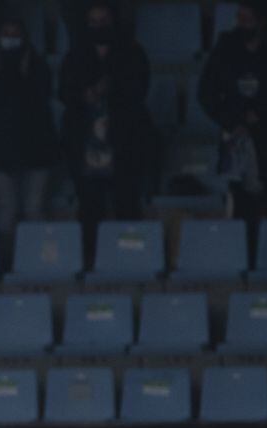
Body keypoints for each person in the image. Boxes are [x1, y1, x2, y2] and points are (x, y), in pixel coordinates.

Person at [58, 0, 153, 256]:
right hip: (86, 146)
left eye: (104, 20)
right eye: (94, 21)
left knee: (127, 205)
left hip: (124, 144)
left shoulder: (132, 53)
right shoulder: (75, 56)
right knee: (90, 208)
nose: (99, 26)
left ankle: (129, 259)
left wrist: (112, 92)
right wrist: (84, 95)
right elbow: (64, 92)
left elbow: (139, 92)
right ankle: (90, 261)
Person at [0, 14, 60, 268]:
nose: (10, 39)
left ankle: (38, 262)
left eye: (15, 33)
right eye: (5, 33)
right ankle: (7, 264)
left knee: (34, 208)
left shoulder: (36, 64)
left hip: (37, 148)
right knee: (6, 210)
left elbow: (40, 95)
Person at [199, 0, 267, 227]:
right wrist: (232, 120)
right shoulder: (226, 45)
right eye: (240, 18)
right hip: (236, 137)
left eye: (248, 19)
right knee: (241, 205)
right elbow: (206, 92)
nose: (241, 24)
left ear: (262, 19)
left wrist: (262, 113)